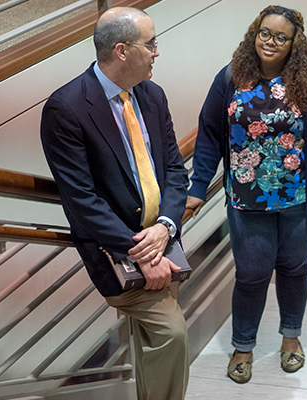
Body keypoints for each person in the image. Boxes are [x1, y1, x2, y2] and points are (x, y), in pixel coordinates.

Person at [186, 5, 307, 384]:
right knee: (251, 275)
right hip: (246, 201)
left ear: (295, 43)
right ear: (254, 34)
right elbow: (209, 135)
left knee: (294, 270)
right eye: (264, 33)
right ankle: (243, 347)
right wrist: (196, 188)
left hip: (299, 202)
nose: (270, 42)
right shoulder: (229, 79)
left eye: (280, 37)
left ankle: (291, 339)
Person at [40, 7, 189, 400]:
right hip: (115, 251)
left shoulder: (152, 95)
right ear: (122, 51)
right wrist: (139, 250)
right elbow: (81, 199)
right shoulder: (66, 108)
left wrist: (166, 227)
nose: (157, 51)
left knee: (154, 341)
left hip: (163, 239)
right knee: (170, 333)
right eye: (151, 44)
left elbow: (175, 170)